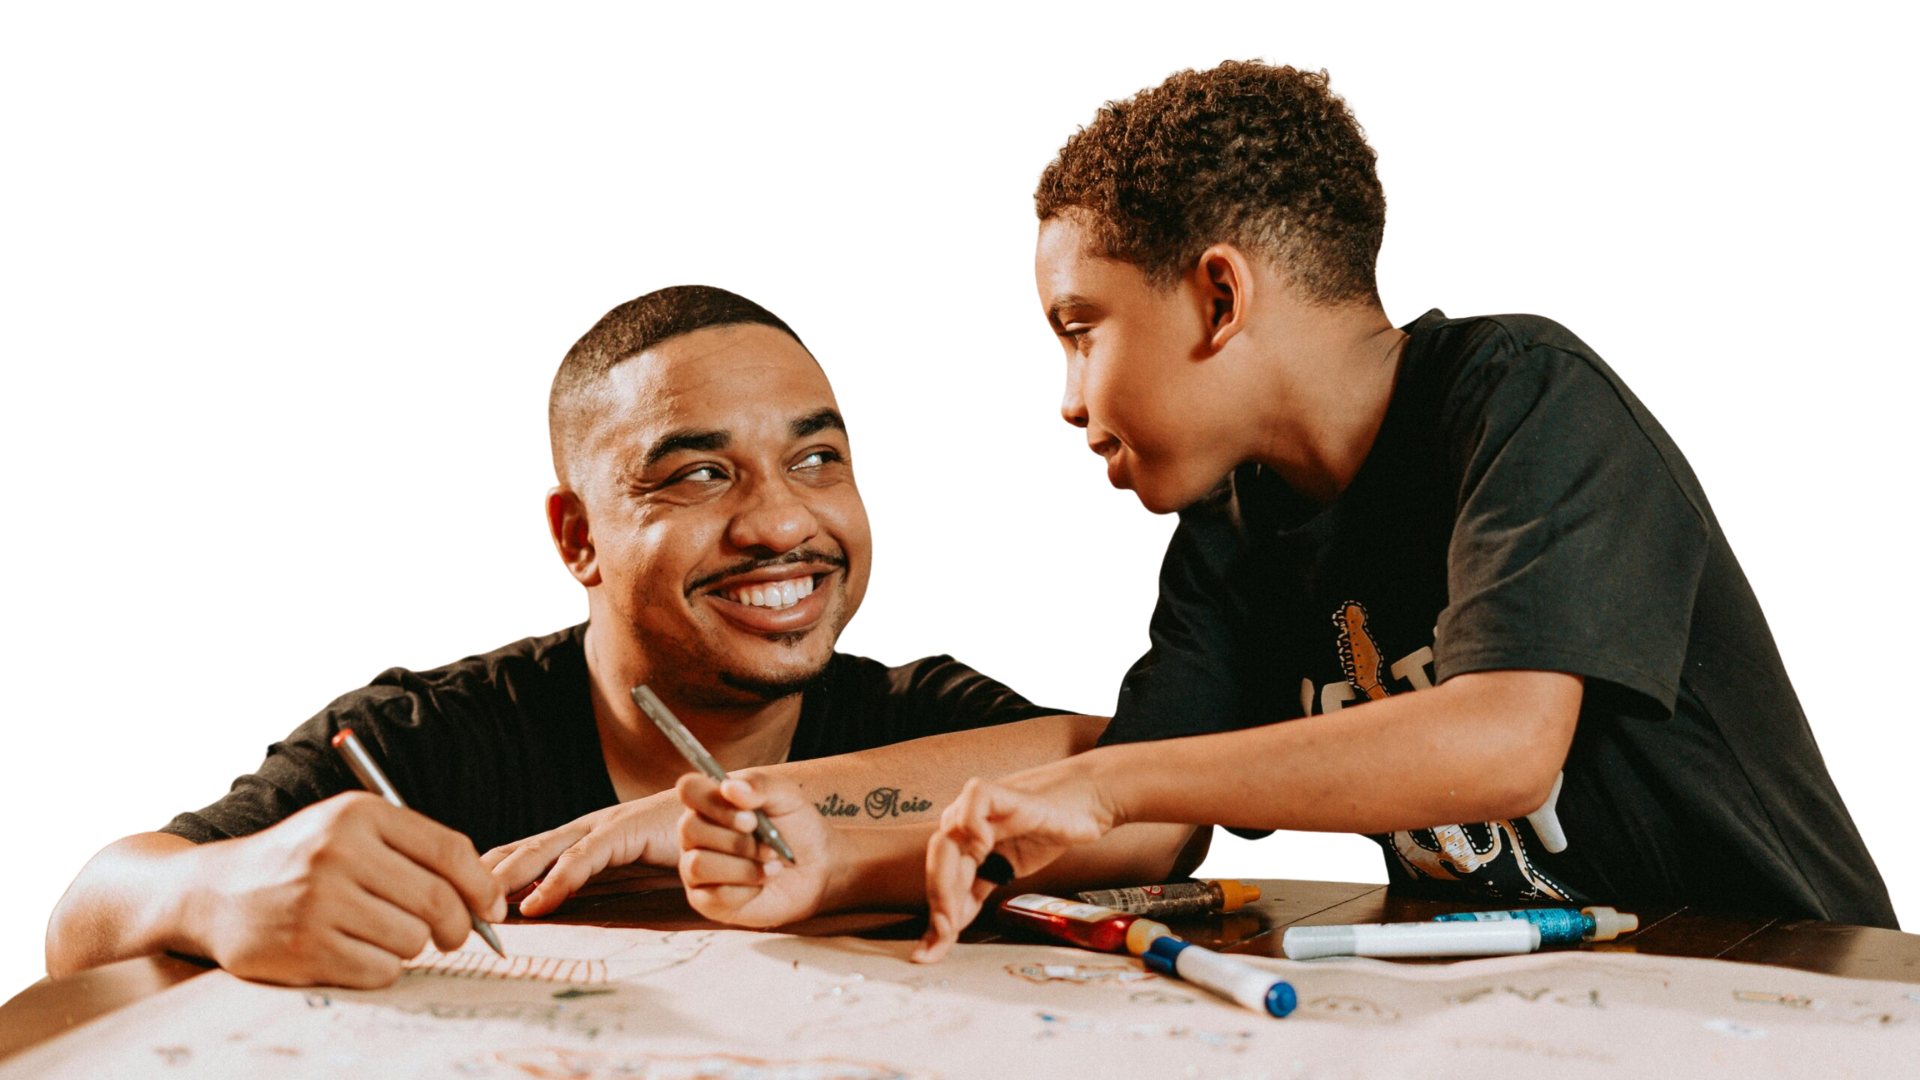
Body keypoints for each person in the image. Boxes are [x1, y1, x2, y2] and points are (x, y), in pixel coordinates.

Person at [670, 59, 1899, 959]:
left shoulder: (1519, 391)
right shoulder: (1233, 526)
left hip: (1790, 987)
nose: (1064, 398)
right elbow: (1147, 819)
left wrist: (1111, 788)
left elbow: (1501, 736)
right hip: (1556, 1011)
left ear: (1218, 296)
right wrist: (831, 851)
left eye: (1078, 331)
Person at [43, 284, 1192, 987]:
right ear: (577, 536)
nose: (784, 521)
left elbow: (1148, 801)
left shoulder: (908, 713)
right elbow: (85, 919)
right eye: (698, 474)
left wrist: (711, 825)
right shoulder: (430, 737)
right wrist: (224, 891)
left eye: (817, 459)